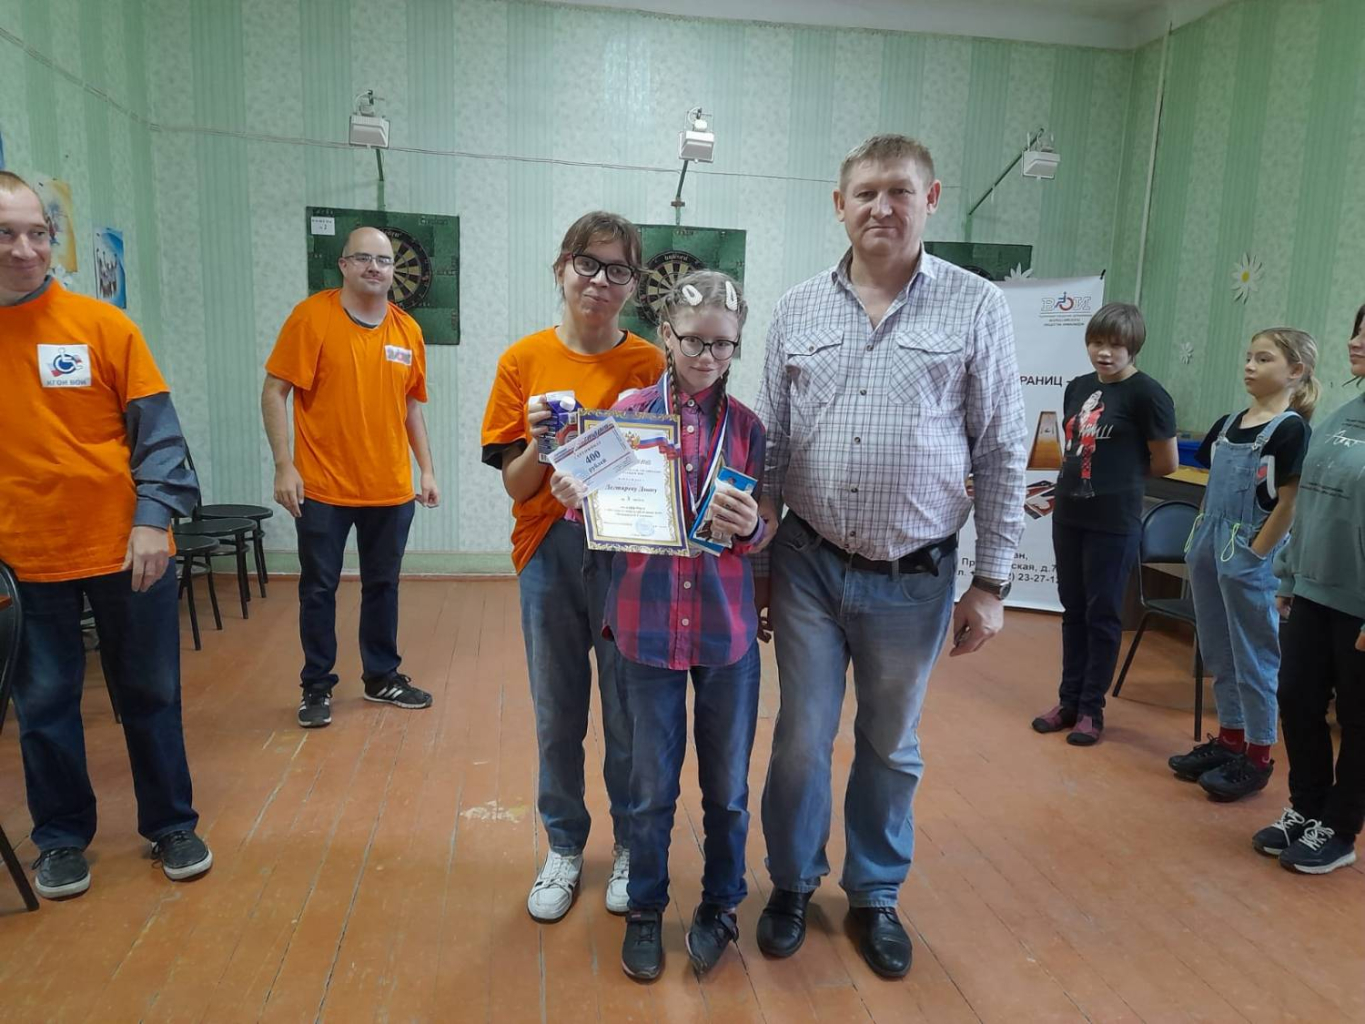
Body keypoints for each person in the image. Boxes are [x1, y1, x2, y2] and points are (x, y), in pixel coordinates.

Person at [753, 134, 1027, 978]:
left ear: (930, 198)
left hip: (914, 577)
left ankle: (874, 893)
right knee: (801, 738)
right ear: (838, 204)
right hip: (805, 563)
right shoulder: (797, 308)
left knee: (889, 742)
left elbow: (1001, 448)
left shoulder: (976, 306)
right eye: (865, 192)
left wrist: (990, 582)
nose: (881, 207)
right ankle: (792, 882)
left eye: (899, 191)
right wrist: (757, 566)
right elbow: (769, 447)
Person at [0, 171, 211, 899]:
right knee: (44, 706)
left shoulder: (104, 327)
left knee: (151, 693)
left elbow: (161, 440)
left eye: (37, 233)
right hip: (23, 560)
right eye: (6, 234)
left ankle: (171, 824)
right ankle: (60, 838)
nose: (25, 249)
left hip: (129, 552)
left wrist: (154, 519)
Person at [554, 271, 765, 980]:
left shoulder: (749, 430)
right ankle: (645, 908)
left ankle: (721, 905)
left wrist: (753, 525)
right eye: (694, 340)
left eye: (723, 344)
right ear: (666, 335)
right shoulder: (626, 417)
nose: (708, 356)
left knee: (727, 791)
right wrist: (571, 490)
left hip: (726, 633)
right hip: (644, 630)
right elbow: (587, 514)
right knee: (648, 790)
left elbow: (765, 528)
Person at [480, 212, 665, 922]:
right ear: (562, 268)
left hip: (628, 557)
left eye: (617, 269)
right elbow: (516, 485)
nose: (599, 281)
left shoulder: (651, 366)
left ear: (633, 285)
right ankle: (563, 845)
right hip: (547, 555)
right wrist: (538, 447)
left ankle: (629, 846)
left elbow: (662, 473)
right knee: (557, 711)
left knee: (627, 711)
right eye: (587, 264)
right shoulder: (521, 362)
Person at [262, 227, 439, 729]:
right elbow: (274, 392)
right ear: (343, 265)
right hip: (323, 486)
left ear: (393, 272)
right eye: (362, 258)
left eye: (383, 261)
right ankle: (316, 685)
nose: (374, 267)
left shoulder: (407, 331)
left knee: (383, 585)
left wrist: (426, 469)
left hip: (389, 487)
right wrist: (284, 465)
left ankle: (382, 677)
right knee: (319, 588)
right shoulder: (311, 318)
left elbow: (411, 406)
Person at [1169, 329, 1316, 800]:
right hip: (1209, 545)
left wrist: (1254, 554)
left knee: (1254, 654)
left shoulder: (1291, 430)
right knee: (1218, 647)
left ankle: (1257, 754)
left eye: (1264, 358)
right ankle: (1230, 739)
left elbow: (1289, 504)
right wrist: (1202, 543)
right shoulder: (1228, 424)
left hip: (1249, 552)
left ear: (1295, 371)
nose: (1250, 365)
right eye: (1249, 357)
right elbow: (1211, 486)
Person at [1031, 304, 1177, 744]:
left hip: (1114, 521)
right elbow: (1071, 446)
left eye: (1115, 345)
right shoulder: (1078, 387)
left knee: (1103, 613)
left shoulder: (1148, 394)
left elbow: (1166, 463)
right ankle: (1068, 701)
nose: (1105, 353)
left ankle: (1091, 710)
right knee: (1073, 610)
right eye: (1097, 342)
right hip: (1069, 514)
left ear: (1133, 347)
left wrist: (1118, 477)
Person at [1255, 304, 1365, 875]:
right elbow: (1311, 504)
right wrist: (1290, 574)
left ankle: (1340, 830)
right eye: (1357, 330)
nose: (1356, 342)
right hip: (1313, 592)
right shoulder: (1345, 415)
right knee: (1296, 699)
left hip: (1359, 606)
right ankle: (1307, 807)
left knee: (1358, 720)